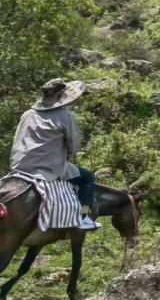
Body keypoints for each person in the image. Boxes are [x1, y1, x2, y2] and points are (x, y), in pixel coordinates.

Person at [9, 79, 98, 229]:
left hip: (19, 167)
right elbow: (74, 146)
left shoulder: (28, 114)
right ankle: (84, 217)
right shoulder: (65, 116)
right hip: (46, 169)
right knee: (88, 177)